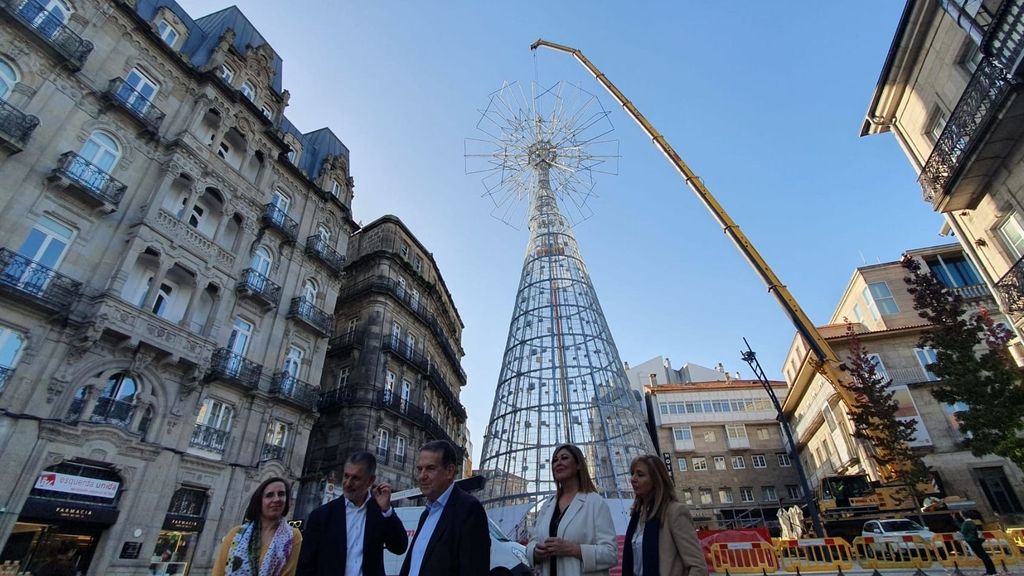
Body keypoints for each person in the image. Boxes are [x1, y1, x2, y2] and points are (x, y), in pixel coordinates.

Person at [297, 451, 408, 576]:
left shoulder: (379, 512)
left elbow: (399, 547)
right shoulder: (322, 515)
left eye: (355, 478)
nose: (348, 483)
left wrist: (387, 511)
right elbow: (305, 565)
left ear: (370, 480)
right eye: (346, 476)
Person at [399, 440, 489, 576]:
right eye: (419, 469)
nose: (422, 476)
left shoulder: (469, 510)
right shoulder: (426, 514)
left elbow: (473, 569)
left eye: (430, 468)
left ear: (450, 471)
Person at [527, 444, 618, 576]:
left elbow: (610, 553)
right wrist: (535, 552)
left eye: (564, 458)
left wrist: (573, 549)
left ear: (578, 465)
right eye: (555, 460)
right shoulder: (548, 505)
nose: (558, 463)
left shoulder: (594, 502)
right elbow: (533, 541)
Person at [622, 455, 707, 576]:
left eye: (640, 475)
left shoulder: (675, 512)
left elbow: (698, 566)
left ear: (656, 480)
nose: (633, 479)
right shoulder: (637, 515)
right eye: (632, 473)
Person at [213, 476, 302, 576]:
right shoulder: (236, 534)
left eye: (281, 494)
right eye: (269, 495)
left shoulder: (293, 536)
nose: (276, 499)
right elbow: (218, 572)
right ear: (259, 502)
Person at [957, 511, 996, 575]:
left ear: (963, 515)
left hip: (972, 541)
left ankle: (990, 571)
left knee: (983, 556)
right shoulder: (972, 522)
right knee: (984, 556)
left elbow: (962, 531)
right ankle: (991, 570)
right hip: (976, 540)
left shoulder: (967, 523)